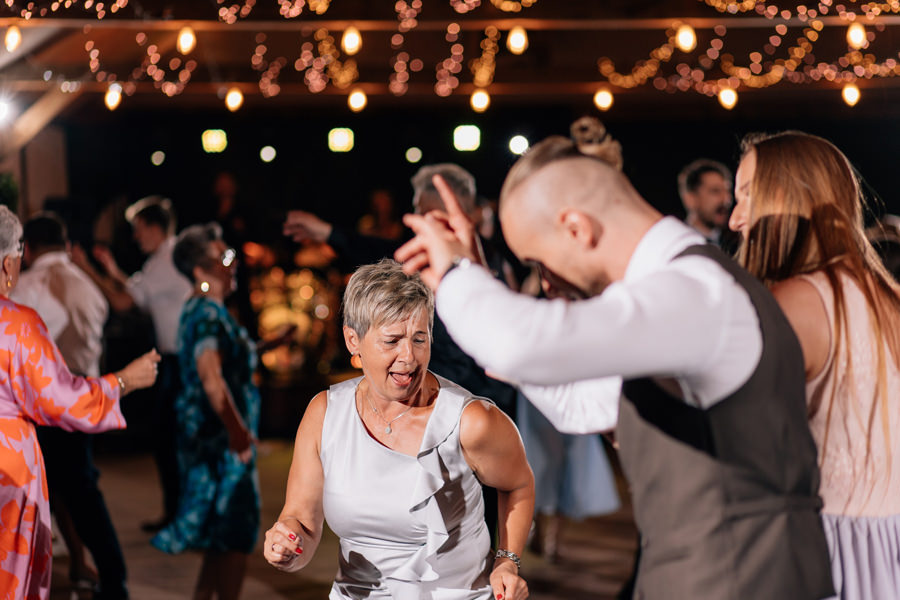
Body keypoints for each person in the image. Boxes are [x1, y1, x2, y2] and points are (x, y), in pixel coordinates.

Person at [395, 119, 835, 599]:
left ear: (576, 228)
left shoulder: (696, 291)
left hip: (743, 580)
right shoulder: (687, 290)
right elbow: (582, 402)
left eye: (541, 261)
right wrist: (477, 287)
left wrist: (459, 274)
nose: (546, 284)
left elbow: (521, 343)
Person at [263, 259, 534, 600]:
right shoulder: (325, 414)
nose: (409, 357)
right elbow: (301, 521)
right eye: (392, 341)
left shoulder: (472, 421)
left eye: (419, 339)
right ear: (353, 341)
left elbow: (519, 484)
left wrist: (507, 561)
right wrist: (287, 542)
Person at [727, 131, 900, 599]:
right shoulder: (888, 298)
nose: (736, 218)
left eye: (747, 196)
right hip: (883, 549)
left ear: (790, 196)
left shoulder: (792, 304)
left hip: (810, 551)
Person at [0, 205, 159, 600]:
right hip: (28, 437)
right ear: (8, 263)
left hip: (47, 408)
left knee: (74, 495)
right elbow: (59, 394)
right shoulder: (21, 318)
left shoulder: (31, 290)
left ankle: (83, 564)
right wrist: (124, 380)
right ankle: (108, 574)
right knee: (81, 495)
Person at [150, 223, 260, 600]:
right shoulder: (208, 315)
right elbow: (211, 378)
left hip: (212, 442)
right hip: (222, 448)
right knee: (234, 537)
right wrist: (238, 432)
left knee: (219, 538)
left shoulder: (202, 310)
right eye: (224, 257)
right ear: (201, 270)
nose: (233, 265)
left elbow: (221, 365)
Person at [73, 196, 192, 532]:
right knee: (170, 438)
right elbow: (135, 290)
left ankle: (181, 516)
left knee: (170, 439)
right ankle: (179, 515)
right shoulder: (163, 259)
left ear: (155, 228)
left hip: (181, 360)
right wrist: (109, 269)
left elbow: (124, 301)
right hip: (176, 359)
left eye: (139, 229)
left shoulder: (168, 259)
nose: (136, 237)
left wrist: (86, 269)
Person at [677, 158, 736, 251]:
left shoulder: (734, 245)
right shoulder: (677, 245)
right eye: (715, 191)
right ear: (690, 199)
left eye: (727, 192)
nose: (726, 200)